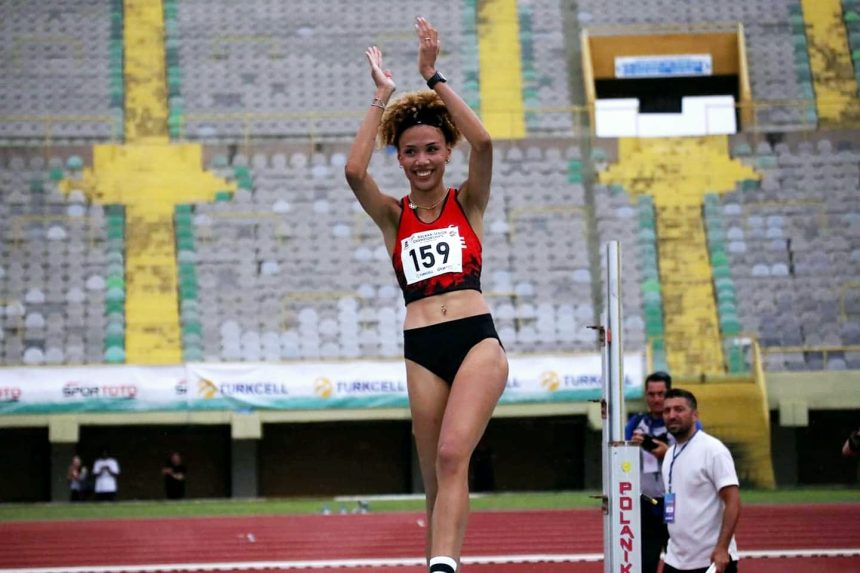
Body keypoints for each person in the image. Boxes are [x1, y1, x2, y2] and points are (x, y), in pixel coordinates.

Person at [345, 17, 508, 573]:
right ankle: (437, 564)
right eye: (410, 151)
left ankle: (444, 566)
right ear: (399, 158)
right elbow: (353, 171)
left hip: (475, 341)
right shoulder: (393, 217)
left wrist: (432, 76)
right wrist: (382, 95)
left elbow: (485, 141)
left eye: (432, 149)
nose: (421, 160)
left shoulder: (469, 201)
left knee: (452, 453)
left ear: (446, 152)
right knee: (435, 480)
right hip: (421, 348)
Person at [661, 389, 741, 573]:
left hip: (710, 560)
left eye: (679, 409)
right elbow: (671, 500)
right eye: (667, 410)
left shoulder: (713, 450)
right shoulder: (669, 454)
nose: (672, 415)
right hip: (675, 560)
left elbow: (733, 502)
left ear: (695, 415)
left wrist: (722, 548)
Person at [625, 371, 672, 573]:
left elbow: (694, 456)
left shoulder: (681, 423)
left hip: (673, 501)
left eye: (661, 394)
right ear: (645, 395)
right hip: (645, 501)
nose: (656, 399)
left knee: (678, 561)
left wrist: (665, 452)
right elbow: (620, 456)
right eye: (652, 394)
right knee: (645, 561)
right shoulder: (636, 423)